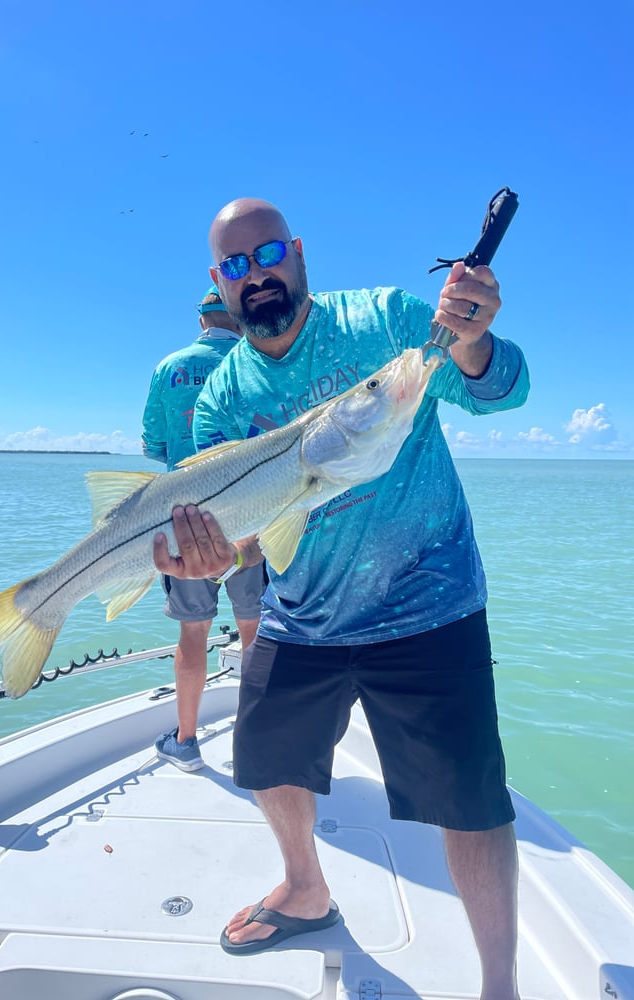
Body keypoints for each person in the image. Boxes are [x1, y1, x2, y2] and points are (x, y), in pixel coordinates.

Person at [153, 199, 529, 999]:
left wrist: (470, 340)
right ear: (220, 284)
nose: (256, 276)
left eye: (268, 254)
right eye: (236, 265)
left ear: (297, 253)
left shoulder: (388, 320)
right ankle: (305, 889)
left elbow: (498, 392)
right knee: (262, 758)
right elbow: (244, 538)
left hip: (429, 601)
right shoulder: (222, 396)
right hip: (303, 613)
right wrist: (210, 558)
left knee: (470, 803)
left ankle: (500, 983)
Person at [142, 285, 265, 771]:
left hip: (184, 525)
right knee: (254, 627)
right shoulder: (255, 362)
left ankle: (187, 742)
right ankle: (256, 737)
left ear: (201, 322)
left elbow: (154, 442)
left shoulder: (169, 367)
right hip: (252, 517)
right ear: (236, 318)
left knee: (193, 633)